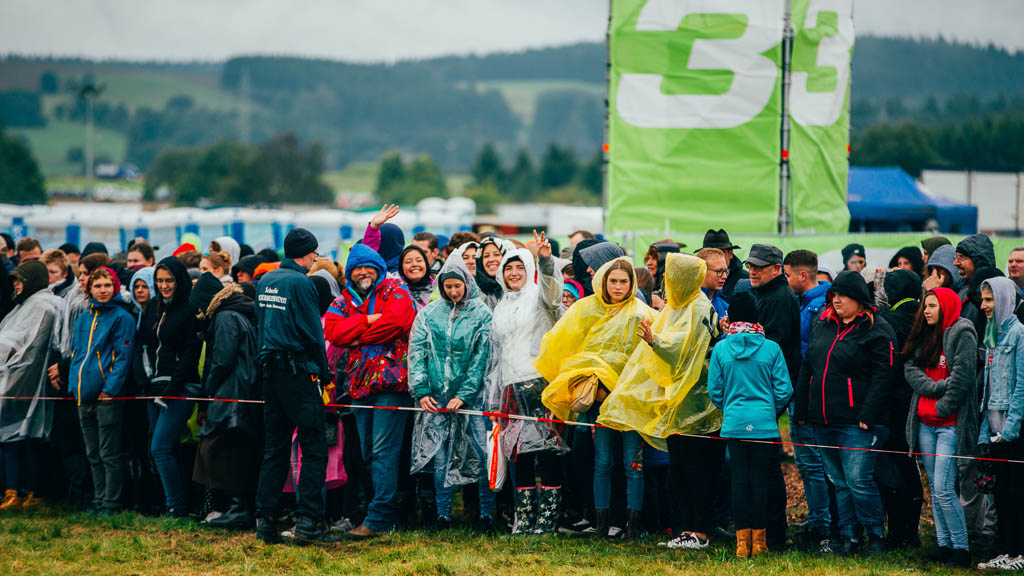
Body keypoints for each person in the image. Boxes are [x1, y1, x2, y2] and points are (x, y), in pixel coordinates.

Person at [599, 253, 718, 546]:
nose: (666, 283)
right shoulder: (677, 306)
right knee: (679, 470)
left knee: (695, 472)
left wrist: (656, 341)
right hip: (677, 405)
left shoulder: (699, 307)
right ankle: (685, 530)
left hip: (697, 407)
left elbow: (684, 350)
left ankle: (700, 531)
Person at [537, 258, 653, 538]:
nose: (617, 286)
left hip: (631, 401)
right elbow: (568, 343)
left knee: (632, 464)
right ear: (603, 281)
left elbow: (650, 358)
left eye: (623, 281)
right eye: (612, 280)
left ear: (632, 284)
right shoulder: (586, 309)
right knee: (602, 461)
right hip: (599, 401)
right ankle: (602, 527)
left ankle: (632, 526)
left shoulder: (643, 313)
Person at [794, 271, 897, 557]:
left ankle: (875, 535)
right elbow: (808, 368)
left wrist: (869, 413)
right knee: (839, 482)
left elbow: (884, 376)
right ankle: (849, 537)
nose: (836, 299)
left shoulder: (878, 330)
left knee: (858, 481)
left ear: (859, 299)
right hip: (823, 418)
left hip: (859, 422)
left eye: (843, 295)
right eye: (834, 295)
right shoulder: (823, 324)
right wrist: (802, 407)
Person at [324, 242, 416, 540]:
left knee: (383, 453)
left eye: (368, 267)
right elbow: (333, 333)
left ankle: (378, 518)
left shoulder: (395, 291)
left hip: (391, 384)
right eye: (357, 269)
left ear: (378, 269)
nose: (363, 273)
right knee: (365, 453)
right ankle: (383, 512)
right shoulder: (343, 300)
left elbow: (400, 321)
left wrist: (357, 336)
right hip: (359, 386)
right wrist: (368, 320)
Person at [250, 229, 335, 544]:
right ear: (307, 252)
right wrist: (324, 372)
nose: (316, 258)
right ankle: (308, 523)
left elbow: (262, 326)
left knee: (275, 448)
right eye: (314, 253)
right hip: (298, 373)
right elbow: (313, 332)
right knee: (313, 447)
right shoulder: (302, 283)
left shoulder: (267, 281)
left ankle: (265, 522)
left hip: (270, 371)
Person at [487, 232, 566, 535]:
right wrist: (496, 396)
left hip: (539, 382)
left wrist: (545, 261)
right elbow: (497, 355)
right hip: (510, 385)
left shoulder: (539, 297)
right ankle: (524, 518)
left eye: (520, 267)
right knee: (518, 451)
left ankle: (547, 519)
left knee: (547, 451)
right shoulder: (501, 307)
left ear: (529, 270)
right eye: (508, 268)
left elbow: (553, 294)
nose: (514, 273)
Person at [408, 257, 494, 531]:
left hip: (472, 399)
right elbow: (416, 353)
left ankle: (486, 514)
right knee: (440, 456)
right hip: (436, 397)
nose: (453, 292)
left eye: (458, 286)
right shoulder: (429, 314)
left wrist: (465, 394)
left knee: (481, 455)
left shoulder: (482, 315)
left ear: (467, 284)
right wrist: (421, 390)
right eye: (448, 287)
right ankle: (442, 515)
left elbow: (483, 358)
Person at [707, 292, 792, 558]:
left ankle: (742, 544)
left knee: (739, 482)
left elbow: (715, 390)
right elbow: (784, 389)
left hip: (734, 423)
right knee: (761, 481)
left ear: (730, 317)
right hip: (764, 425)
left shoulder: (721, 348)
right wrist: (770, 412)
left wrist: (730, 409)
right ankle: (760, 542)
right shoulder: (771, 348)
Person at [902, 287, 977, 568]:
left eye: (932, 305)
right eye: (925, 306)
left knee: (945, 487)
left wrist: (941, 407)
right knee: (935, 488)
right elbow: (910, 368)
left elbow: (963, 377)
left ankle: (962, 548)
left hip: (948, 423)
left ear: (946, 305)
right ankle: (945, 545)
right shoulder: (924, 331)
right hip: (924, 423)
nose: (927, 311)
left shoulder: (962, 332)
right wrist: (934, 388)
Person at [189, 273, 261, 530]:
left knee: (223, 451)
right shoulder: (236, 313)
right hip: (242, 391)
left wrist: (207, 389)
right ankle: (237, 507)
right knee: (233, 450)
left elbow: (222, 359)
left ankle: (236, 508)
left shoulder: (224, 318)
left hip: (232, 392)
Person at [135, 256, 203, 518]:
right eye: (160, 281)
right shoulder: (152, 307)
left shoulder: (189, 310)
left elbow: (190, 355)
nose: (164, 285)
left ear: (179, 280)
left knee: (160, 447)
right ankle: (172, 502)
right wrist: (144, 382)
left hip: (181, 387)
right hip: (153, 387)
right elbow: (142, 346)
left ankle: (177, 506)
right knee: (164, 447)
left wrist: (172, 388)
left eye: (169, 280)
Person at [67, 267, 135, 515]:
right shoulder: (85, 317)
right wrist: (74, 385)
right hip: (82, 394)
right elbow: (77, 354)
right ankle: (98, 498)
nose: (103, 290)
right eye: (98, 286)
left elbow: (123, 357)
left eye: (107, 285)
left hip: (106, 396)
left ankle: (111, 502)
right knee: (92, 453)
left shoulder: (122, 317)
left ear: (115, 287)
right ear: (90, 288)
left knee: (109, 453)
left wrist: (110, 389)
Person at [746, 243, 799, 549]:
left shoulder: (778, 298)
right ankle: (767, 531)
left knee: (765, 468)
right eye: (750, 265)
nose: (752, 270)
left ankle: (774, 534)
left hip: (767, 394)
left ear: (777, 269)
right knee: (763, 466)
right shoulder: (768, 295)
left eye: (759, 266)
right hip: (764, 394)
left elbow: (771, 349)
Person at [783, 249, 834, 550]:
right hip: (804, 394)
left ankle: (822, 528)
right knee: (809, 464)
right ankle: (818, 521)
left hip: (809, 397)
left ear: (803, 275)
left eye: (789, 274)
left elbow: (809, 357)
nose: (787, 280)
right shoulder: (808, 305)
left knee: (814, 464)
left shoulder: (816, 309)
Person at [0, 261, 62, 510]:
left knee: (24, 439)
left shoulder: (43, 306)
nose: (16, 285)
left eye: (20, 280)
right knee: (12, 438)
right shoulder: (26, 305)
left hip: (25, 380)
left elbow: (31, 348)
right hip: (15, 377)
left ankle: (30, 492)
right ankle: (13, 490)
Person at [977, 277, 1024, 571]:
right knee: (1001, 493)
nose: (984, 306)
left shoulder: (1020, 334)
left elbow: (1021, 386)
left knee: (1017, 493)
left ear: (1005, 299)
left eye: (989, 300)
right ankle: (1006, 550)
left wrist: (1011, 429)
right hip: (995, 430)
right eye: (983, 300)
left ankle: (1020, 553)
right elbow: (989, 388)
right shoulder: (991, 335)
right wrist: (987, 429)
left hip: (1013, 432)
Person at [954, 233, 998, 543]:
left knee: (987, 465)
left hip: (988, 396)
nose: (957, 263)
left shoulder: (990, 302)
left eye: (963, 257)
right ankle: (970, 530)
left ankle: (986, 532)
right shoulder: (962, 295)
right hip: (968, 392)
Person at [876, 270, 925, 550]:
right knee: (910, 465)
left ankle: (897, 531)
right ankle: (912, 531)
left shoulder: (888, 322)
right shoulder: (922, 317)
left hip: (892, 403)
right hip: (919, 401)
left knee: (892, 467)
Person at [702, 229, 748, 299]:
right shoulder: (694, 280)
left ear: (730, 253)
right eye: (711, 253)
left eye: (721, 252)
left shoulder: (746, 281)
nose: (717, 257)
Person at [475, 237, 512, 310]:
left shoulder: (515, 287)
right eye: (486, 256)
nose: (491, 259)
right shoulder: (474, 291)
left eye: (496, 254)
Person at [696, 247, 729, 327]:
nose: (724, 276)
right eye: (719, 271)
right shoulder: (688, 304)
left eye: (725, 271)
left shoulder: (725, 307)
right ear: (702, 271)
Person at [398, 245, 435, 310]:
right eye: (408, 262)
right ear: (401, 268)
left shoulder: (438, 288)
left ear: (426, 264)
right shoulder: (394, 292)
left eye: (419, 260)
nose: (414, 264)